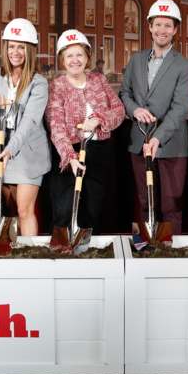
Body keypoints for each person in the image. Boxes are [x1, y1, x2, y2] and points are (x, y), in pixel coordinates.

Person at [119, 0, 188, 235]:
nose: (162, 30)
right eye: (158, 24)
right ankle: (141, 249)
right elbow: (124, 92)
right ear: (150, 27)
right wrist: (134, 110)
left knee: (171, 204)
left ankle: (171, 258)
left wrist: (158, 138)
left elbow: (180, 107)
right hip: (139, 142)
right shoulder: (136, 60)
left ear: (175, 30)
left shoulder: (184, 66)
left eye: (168, 25)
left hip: (171, 145)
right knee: (143, 202)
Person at [45, 30, 125, 234]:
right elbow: (56, 125)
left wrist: (99, 119)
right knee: (66, 208)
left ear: (87, 57)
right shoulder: (57, 86)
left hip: (100, 152)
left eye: (79, 54)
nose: (75, 60)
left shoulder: (99, 80)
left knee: (95, 208)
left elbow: (119, 110)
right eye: (69, 55)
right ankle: (66, 251)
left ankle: (95, 252)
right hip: (70, 153)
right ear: (62, 60)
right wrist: (70, 158)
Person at [0, 18, 51, 236]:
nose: (15, 52)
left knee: (24, 210)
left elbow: (31, 121)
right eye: (11, 46)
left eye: (21, 47)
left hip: (26, 153)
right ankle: (13, 258)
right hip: (3, 149)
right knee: (10, 211)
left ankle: (31, 260)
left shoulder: (39, 82)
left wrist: (10, 150)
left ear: (30, 49)